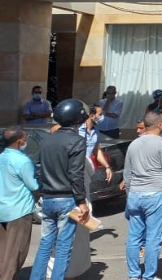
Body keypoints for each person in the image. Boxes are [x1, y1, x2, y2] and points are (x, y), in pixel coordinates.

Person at [29, 99, 90, 280]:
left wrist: (42, 191)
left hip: (48, 199)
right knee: (63, 247)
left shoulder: (46, 141)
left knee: (45, 244)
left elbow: (38, 170)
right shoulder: (77, 141)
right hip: (67, 200)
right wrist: (81, 201)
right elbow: (76, 174)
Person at [124, 110, 162, 280]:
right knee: (153, 238)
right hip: (156, 194)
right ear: (160, 125)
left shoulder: (133, 144)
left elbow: (127, 174)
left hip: (135, 193)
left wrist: (129, 194)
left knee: (134, 238)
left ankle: (133, 275)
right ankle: (149, 275)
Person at [0, 126, 38, 280]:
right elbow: (33, 185)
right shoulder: (22, 161)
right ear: (19, 140)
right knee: (16, 253)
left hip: (3, 209)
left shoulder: (2, 157)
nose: (26, 139)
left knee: (3, 251)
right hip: (19, 211)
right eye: (25, 137)